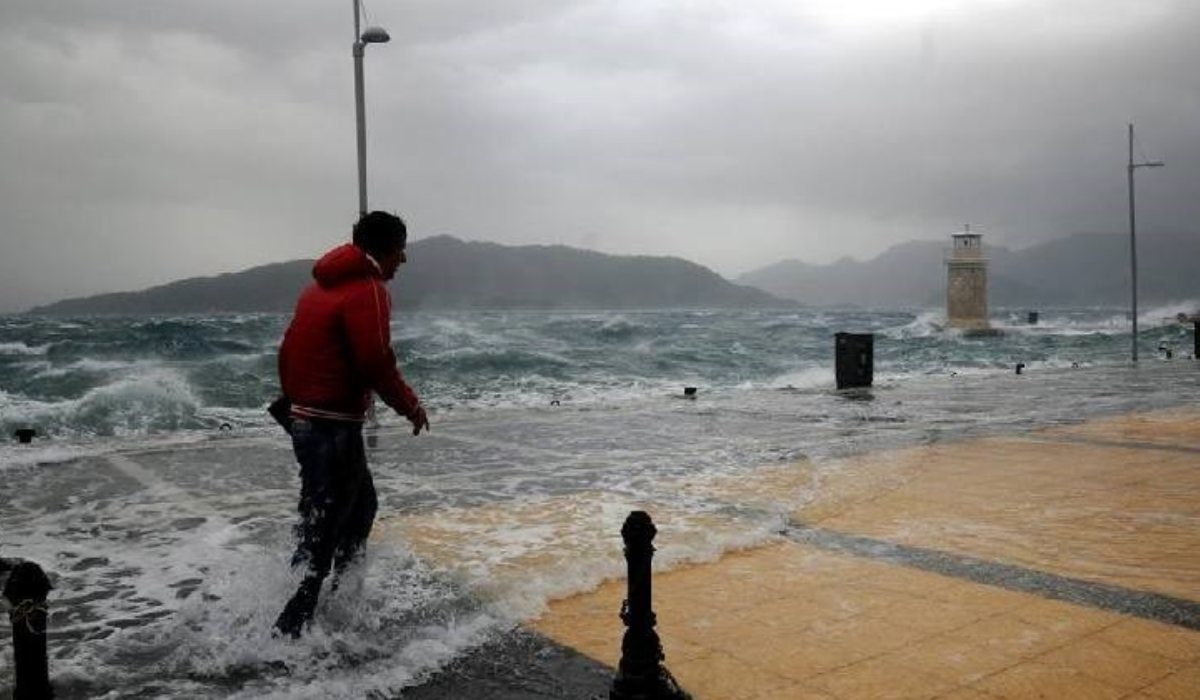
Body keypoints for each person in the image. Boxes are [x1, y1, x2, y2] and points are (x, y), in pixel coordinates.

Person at [273, 210, 430, 638]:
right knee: (329, 524)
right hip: (333, 427)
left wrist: (299, 400)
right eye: (402, 250)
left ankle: (336, 603)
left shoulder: (316, 289)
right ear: (387, 248)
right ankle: (290, 630)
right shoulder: (368, 289)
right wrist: (411, 406)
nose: (404, 261)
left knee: (345, 511)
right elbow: (376, 360)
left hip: (307, 419)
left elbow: (288, 350)